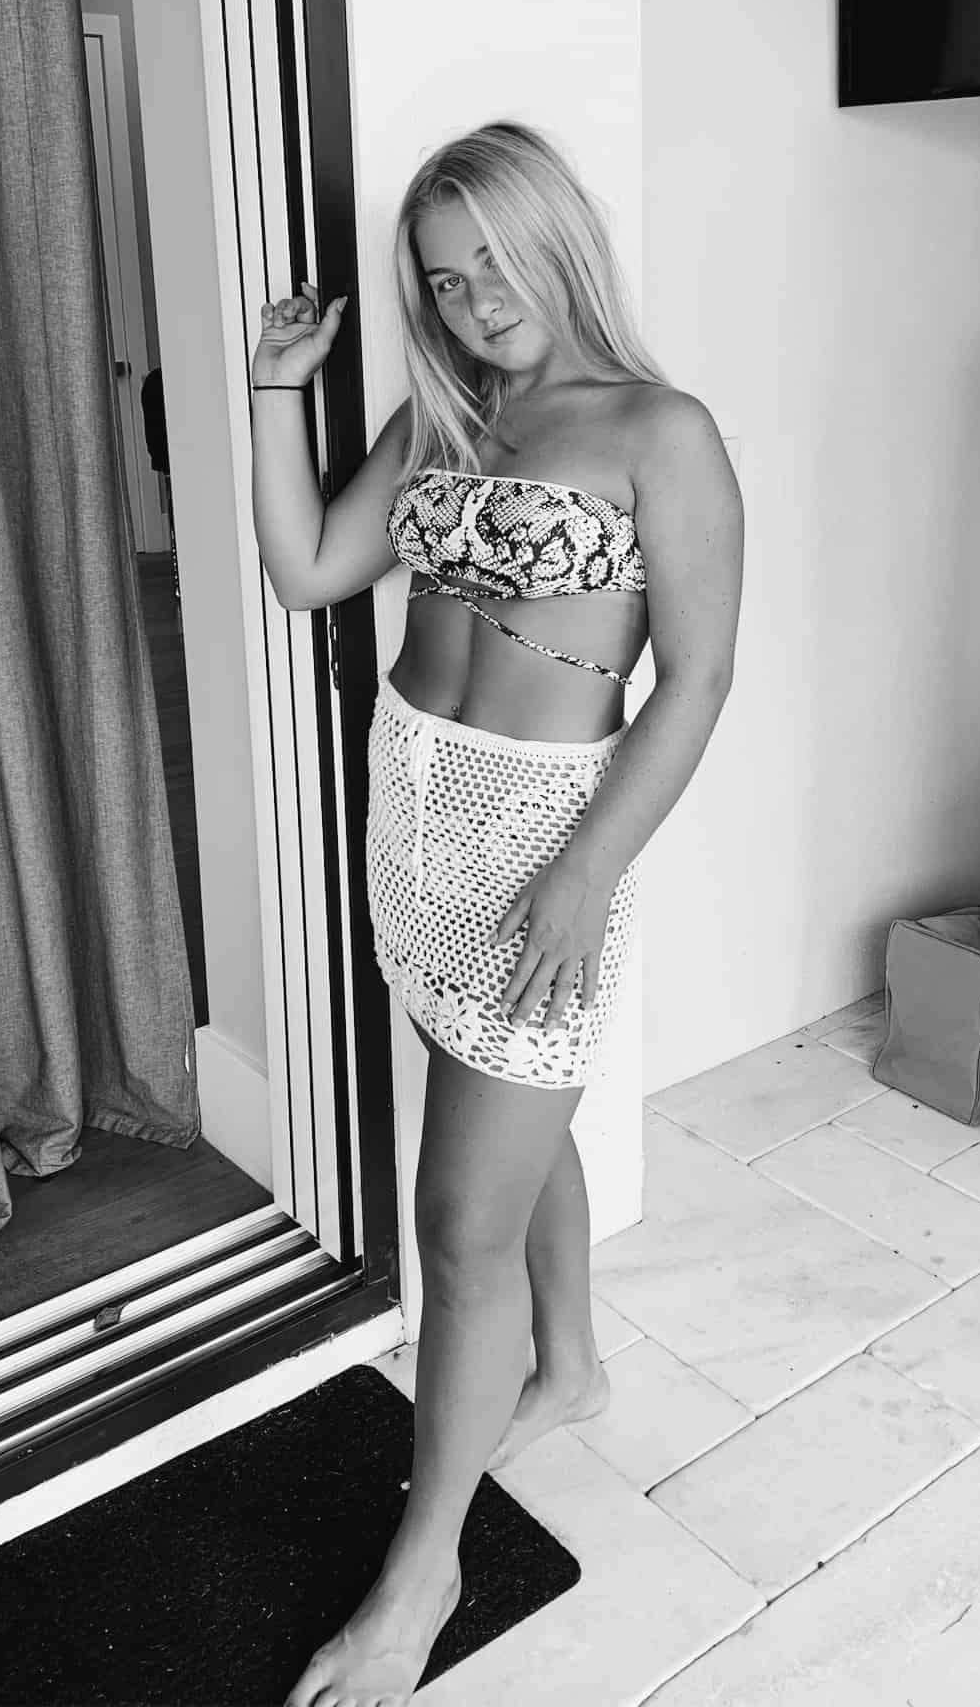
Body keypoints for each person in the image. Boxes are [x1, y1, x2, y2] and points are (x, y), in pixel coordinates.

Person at [251, 120, 743, 1707]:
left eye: (494, 265)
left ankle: (426, 1571)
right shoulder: (443, 413)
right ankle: (572, 1367)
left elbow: (700, 681)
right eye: (443, 281)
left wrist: (586, 872)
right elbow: (309, 569)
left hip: (546, 841)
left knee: (459, 1224)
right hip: (415, 812)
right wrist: (272, 394)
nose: (474, 303)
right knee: (507, 1141)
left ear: (558, 241)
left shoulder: (660, 431)